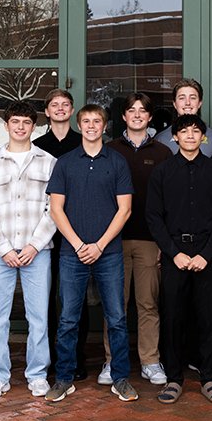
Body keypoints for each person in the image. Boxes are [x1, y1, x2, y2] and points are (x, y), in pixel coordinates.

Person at [44, 104, 138, 403]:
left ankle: (120, 378)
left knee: (117, 318)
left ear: (104, 126)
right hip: (73, 254)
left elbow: (125, 210)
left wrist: (99, 245)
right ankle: (64, 379)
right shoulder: (66, 163)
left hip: (108, 252)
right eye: (85, 121)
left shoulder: (118, 162)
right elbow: (56, 209)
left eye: (97, 121)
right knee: (69, 319)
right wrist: (78, 244)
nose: (91, 126)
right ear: (79, 125)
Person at [147, 114, 212, 404]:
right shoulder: (162, 172)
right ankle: (173, 378)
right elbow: (154, 217)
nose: (191, 136)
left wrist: (206, 254)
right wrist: (175, 253)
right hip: (176, 254)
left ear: (203, 137)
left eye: (197, 131)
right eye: (185, 131)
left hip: (207, 254)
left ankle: (209, 377)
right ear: (175, 137)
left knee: (208, 317)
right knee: (173, 317)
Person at [0, 101, 57, 399]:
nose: (20, 127)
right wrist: (4, 249)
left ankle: (37, 374)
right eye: (15, 122)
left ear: (33, 126)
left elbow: (55, 209)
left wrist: (35, 244)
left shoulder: (48, 162)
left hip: (38, 251)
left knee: (39, 316)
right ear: (7, 125)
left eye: (26, 122)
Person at [103, 93, 172, 386]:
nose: (137, 115)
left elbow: (171, 201)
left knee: (148, 304)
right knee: (115, 305)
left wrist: (163, 243)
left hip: (149, 240)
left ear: (150, 117)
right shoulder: (109, 150)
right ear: (123, 116)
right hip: (113, 241)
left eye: (143, 111)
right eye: (131, 110)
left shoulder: (163, 152)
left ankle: (150, 360)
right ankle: (112, 361)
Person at [33, 89, 90, 381]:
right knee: (46, 298)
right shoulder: (36, 145)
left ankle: (77, 358)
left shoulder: (82, 143)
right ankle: (52, 358)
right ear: (47, 110)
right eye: (54, 104)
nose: (60, 108)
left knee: (74, 298)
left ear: (71, 110)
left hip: (74, 229)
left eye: (65, 104)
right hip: (43, 232)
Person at [155, 78, 212, 156]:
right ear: (175, 104)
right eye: (182, 98)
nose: (187, 103)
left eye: (192, 98)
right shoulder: (161, 139)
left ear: (199, 103)